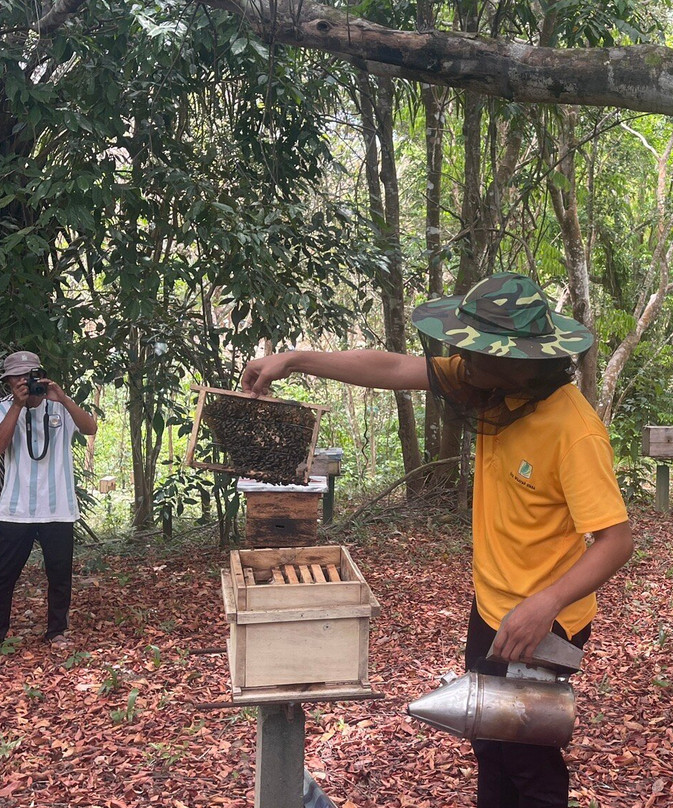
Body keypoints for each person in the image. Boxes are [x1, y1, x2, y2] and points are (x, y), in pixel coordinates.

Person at [242, 272, 634, 808]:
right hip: (492, 609)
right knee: (489, 745)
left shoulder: (574, 429)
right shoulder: (491, 383)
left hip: (542, 622)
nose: (463, 361)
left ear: (521, 359)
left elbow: (616, 540)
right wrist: (295, 358)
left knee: (529, 760)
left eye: (476, 352)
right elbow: (393, 366)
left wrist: (545, 604)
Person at [0, 350, 98, 648]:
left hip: (58, 507)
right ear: (8, 381)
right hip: (16, 509)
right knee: (4, 575)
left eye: (30, 374)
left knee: (59, 575)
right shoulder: (2, 407)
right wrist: (18, 406)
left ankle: (56, 631)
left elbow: (90, 428)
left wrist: (64, 399)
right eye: (18, 376)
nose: (25, 380)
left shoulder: (59, 407)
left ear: (40, 374)